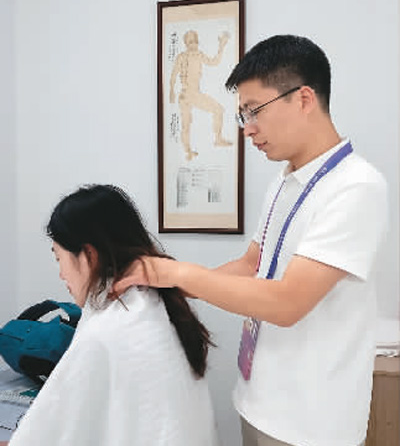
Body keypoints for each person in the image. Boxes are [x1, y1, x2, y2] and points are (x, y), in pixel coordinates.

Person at [114, 35, 388, 446]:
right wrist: (169, 288)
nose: (248, 129)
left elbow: (288, 302)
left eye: (254, 111)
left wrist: (176, 273)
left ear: (304, 99)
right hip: (257, 399)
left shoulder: (356, 187)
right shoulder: (285, 180)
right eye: (243, 115)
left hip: (310, 422)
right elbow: (251, 265)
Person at [9, 184, 219, 446]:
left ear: (88, 255)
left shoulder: (108, 330)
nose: (61, 274)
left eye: (59, 258)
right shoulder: (154, 302)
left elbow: (48, 434)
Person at [170, 30, 232, 161]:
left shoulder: (199, 55)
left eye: (195, 41)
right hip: (186, 95)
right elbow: (174, 74)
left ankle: (217, 139)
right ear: (186, 43)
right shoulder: (181, 57)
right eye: (190, 42)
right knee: (186, 124)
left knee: (218, 110)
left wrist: (221, 47)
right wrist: (171, 91)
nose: (193, 44)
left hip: (194, 94)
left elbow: (214, 62)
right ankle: (188, 151)